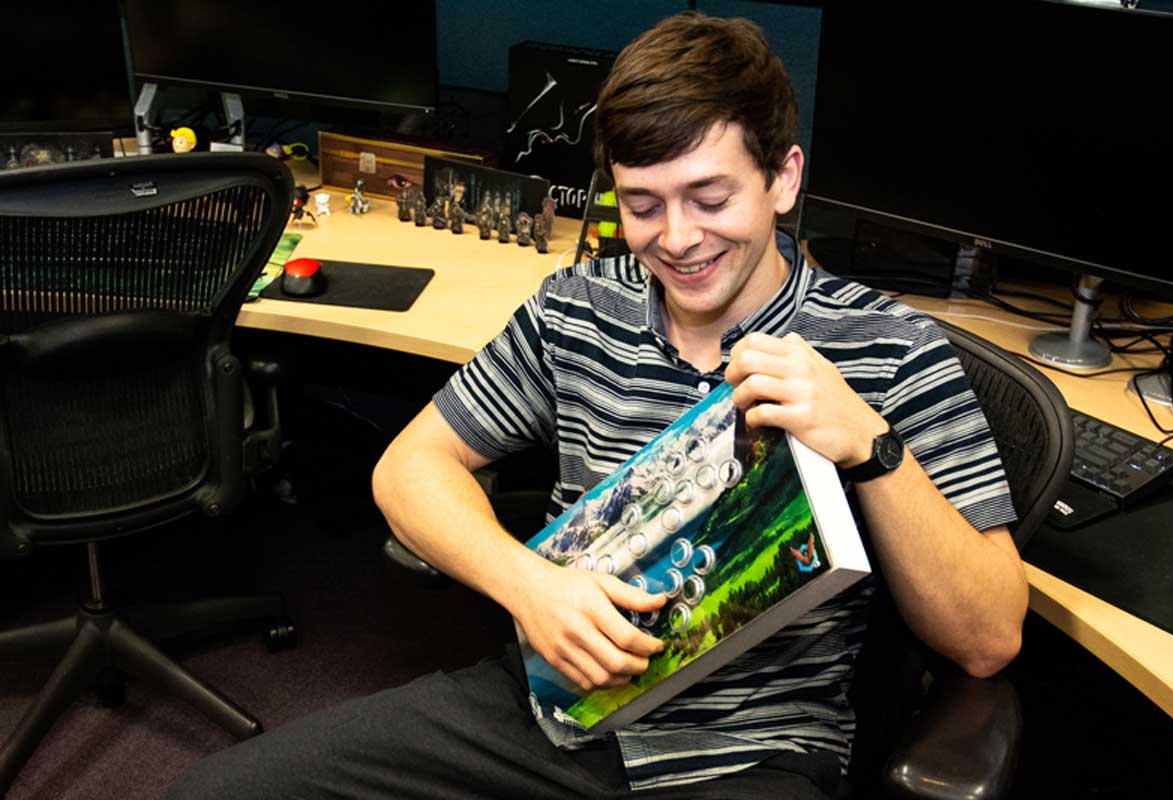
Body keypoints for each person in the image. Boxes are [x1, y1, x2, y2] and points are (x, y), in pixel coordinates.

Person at [168, 12, 1026, 800]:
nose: (678, 240)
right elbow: (409, 466)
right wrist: (530, 587)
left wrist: (869, 448)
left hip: (747, 751)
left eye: (711, 198)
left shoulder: (893, 348)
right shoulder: (580, 304)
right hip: (551, 710)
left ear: (784, 178)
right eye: (643, 206)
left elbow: (987, 637)